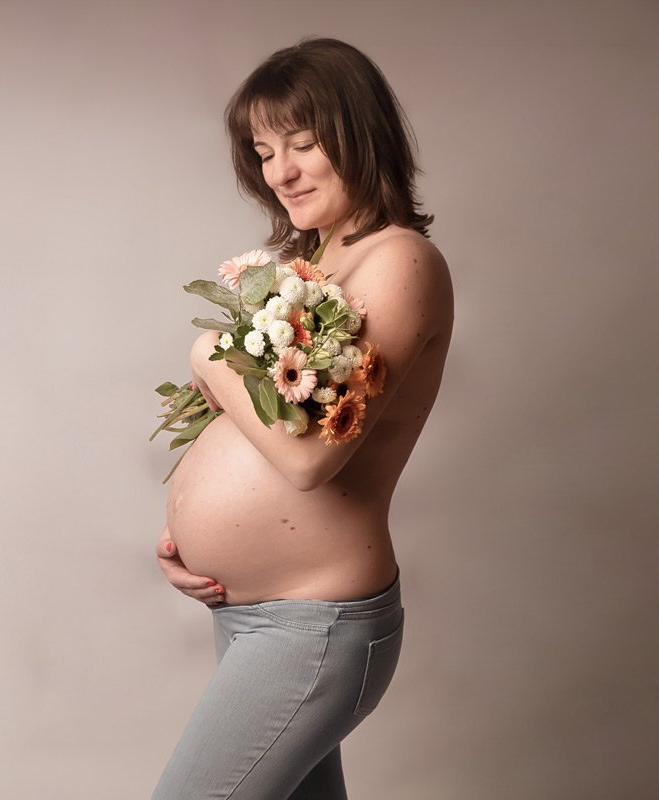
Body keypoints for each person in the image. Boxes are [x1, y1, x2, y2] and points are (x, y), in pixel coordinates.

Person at [152, 38, 453, 799]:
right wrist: (187, 527)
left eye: (303, 145)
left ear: (359, 134)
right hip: (254, 617)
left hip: (313, 626)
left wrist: (208, 356)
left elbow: (311, 458)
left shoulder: (400, 260)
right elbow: (259, 433)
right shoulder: (306, 269)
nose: (278, 172)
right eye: (262, 152)